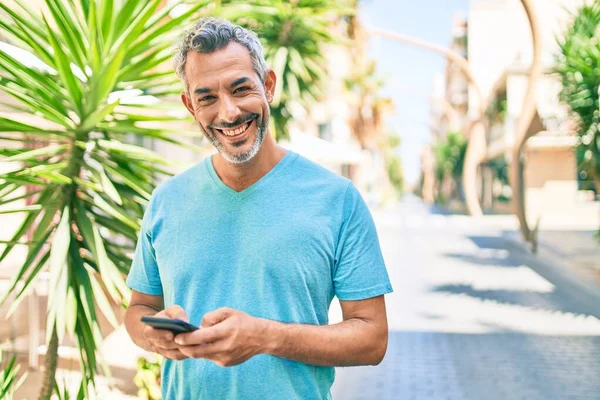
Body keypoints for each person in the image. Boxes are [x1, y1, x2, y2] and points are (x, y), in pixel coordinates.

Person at [124, 17, 393, 400]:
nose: (229, 112)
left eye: (241, 89)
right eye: (207, 98)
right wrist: (153, 335)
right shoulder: (166, 200)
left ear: (268, 85)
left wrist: (266, 338)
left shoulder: (337, 200)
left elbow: (372, 338)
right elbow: (138, 310)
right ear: (190, 106)